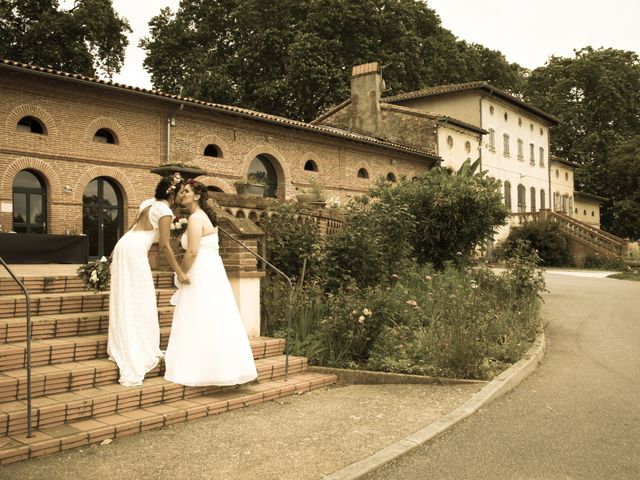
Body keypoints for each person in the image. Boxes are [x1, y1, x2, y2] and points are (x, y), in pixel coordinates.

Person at [164, 180, 258, 386]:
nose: (183, 195)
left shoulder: (196, 219)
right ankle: (220, 368)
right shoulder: (203, 217)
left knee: (197, 315)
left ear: (197, 196)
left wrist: (180, 272)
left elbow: (192, 251)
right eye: (182, 192)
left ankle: (199, 368)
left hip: (200, 272)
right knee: (211, 317)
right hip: (211, 272)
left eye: (187, 191)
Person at [108, 173, 189, 387]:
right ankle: (138, 345)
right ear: (172, 194)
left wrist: (111, 255)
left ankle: (123, 338)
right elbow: (164, 244)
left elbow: (132, 228)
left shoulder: (147, 203)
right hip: (135, 252)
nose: (182, 196)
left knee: (126, 294)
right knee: (141, 297)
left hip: (123, 245)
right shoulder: (165, 211)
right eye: (181, 192)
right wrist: (179, 271)